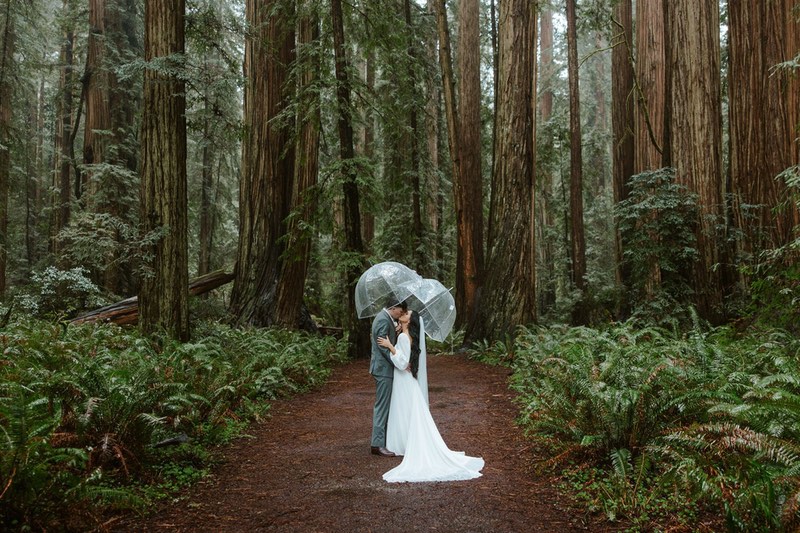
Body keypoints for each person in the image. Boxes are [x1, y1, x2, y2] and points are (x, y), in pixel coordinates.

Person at [377, 310, 484, 482]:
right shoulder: (404, 335)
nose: (403, 313)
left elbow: (403, 363)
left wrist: (390, 346)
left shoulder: (404, 337)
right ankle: (405, 443)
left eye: (407, 313)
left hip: (403, 380)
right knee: (406, 411)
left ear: (410, 321)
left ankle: (403, 444)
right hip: (407, 380)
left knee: (403, 410)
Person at [370, 299, 407, 457]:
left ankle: (382, 440)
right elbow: (382, 347)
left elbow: (386, 341)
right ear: (393, 307)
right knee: (382, 406)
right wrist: (397, 359)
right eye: (400, 311)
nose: (401, 314)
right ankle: (377, 444)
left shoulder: (385, 319)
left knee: (385, 405)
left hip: (383, 368)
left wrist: (396, 332)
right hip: (383, 369)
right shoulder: (383, 320)